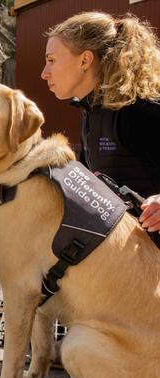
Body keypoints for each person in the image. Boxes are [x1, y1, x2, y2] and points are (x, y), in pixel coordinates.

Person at [40, 11, 160, 234]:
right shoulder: (91, 111)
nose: (44, 73)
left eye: (51, 61)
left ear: (84, 60)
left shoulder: (136, 109)